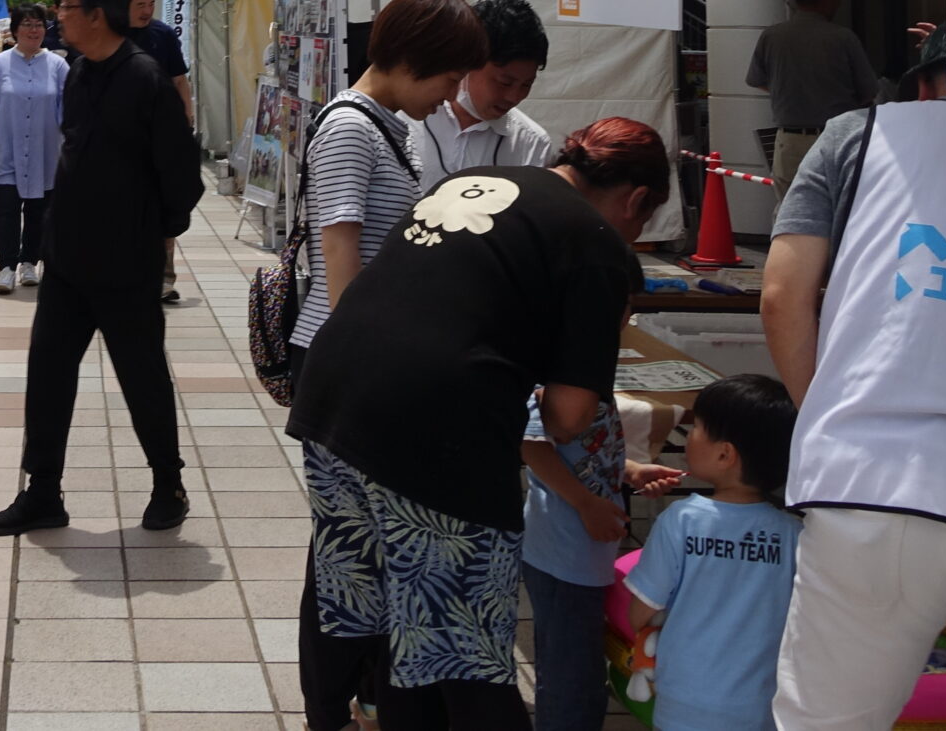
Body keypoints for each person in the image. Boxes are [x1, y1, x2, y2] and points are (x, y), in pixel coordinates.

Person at [287, 120, 669, 731]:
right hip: (435, 429)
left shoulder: (476, 180)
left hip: (333, 400)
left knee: (385, 612)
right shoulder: (594, 239)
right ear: (636, 201)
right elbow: (569, 420)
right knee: (460, 649)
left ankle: (333, 714)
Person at [285, 0, 487, 731]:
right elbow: (340, 256)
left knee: (357, 543)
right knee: (343, 545)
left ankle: (358, 692)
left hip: (357, 358)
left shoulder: (385, 125)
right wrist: (374, 369)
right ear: (411, 60)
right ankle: (326, 702)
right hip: (347, 361)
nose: (448, 97)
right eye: (446, 77)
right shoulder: (349, 128)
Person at [757, 24, 946, 731]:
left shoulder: (858, 134)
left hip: (865, 476)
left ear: (925, 82)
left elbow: (783, 294)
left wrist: (825, 410)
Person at [0, 0, 202, 537]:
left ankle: (167, 485)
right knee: (49, 372)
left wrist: (149, 233)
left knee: (142, 374)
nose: (58, 12)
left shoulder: (146, 78)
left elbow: (180, 175)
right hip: (69, 259)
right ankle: (42, 492)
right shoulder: (78, 73)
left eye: (67, 4)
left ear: (97, 15)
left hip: (126, 263)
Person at [624, 376, 802, 731]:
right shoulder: (794, 534)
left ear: (725, 454)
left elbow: (641, 612)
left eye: (697, 428)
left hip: (684, 703)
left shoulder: (681, 520)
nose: (690, 436)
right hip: (760, 705)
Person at [519, 371, 682, 731]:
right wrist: (584, 503)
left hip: (585, 552)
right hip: (561, 555)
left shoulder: (590, 368)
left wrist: (633, 471)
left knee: (581, 667)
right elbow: (531, 445)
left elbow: (590, 454)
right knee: (570, 679)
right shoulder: (549, 373)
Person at [745, 0, 878, 190]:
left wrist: (785, 90)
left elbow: (756, 80)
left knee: (789, 212)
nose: (838, 1)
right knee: (837, 211)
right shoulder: (842, 38)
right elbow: (869, 91)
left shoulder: (772, 36)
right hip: (837, 139)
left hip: (789, 141)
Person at [411, 0, 553, 181]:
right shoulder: (409, 118)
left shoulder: (532, 144)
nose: (514, 96)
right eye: (504, 82)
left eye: (527, 84)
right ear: (468, 61)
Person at [125, 0, 196, 304]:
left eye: (151, 3)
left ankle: (165, 279)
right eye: (140, 4)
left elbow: (180, 79)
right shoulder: (111, 37)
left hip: (161, 141)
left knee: (164, 213)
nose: (147, 10)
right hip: (124, 145)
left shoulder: (163, 35)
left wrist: (187, 117)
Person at [0, 3, 66, 294]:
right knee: (7, 210)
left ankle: (29, 263)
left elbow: (67, 110)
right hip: (8, 151)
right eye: (27, 24)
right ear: (14, 30)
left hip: (45, 153)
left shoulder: (58, 65)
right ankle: (6, 267)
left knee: (38, 211)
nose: (34, 31)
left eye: (39, 25)